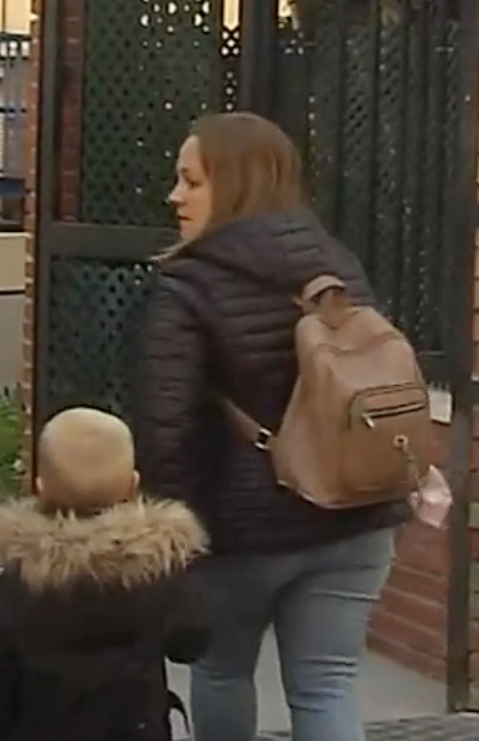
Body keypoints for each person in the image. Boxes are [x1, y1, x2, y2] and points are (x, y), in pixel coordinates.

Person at [131, 112, 409, 741]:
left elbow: (164, 428)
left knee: (223, 672)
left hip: (241, 531)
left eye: (190, 181)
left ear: (233, 185)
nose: (175, 196)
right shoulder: (338, 266)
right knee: (328, 684)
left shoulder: (187, 286)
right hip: (356, 511)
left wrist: (171, 539)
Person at [0, 407, 210, 741]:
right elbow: (192, 642)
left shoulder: (18, 584)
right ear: (133, 484)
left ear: (40, 486)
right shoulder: (155, 575)